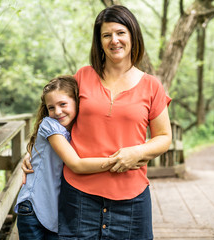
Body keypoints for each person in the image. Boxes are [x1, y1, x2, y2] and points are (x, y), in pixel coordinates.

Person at [22, 4, 172, 240]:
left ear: (133, 35)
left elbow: (164, 138)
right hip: (79, 197)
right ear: (99, 41)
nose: (115, 40)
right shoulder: (82, 77)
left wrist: (137, 152)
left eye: (121, 32)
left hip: (131, 197)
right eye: (106, 35)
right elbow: (56, 115)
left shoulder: (151, 85)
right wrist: (36, 152)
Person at [14, 75, 117, 240]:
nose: (57, 112)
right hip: (33, 207)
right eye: (51, 107)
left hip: (53, 213)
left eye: (63, 104)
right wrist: (117, 161)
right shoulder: (49, 125)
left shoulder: (76, 131)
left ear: (77, 102)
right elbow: (76, 164)